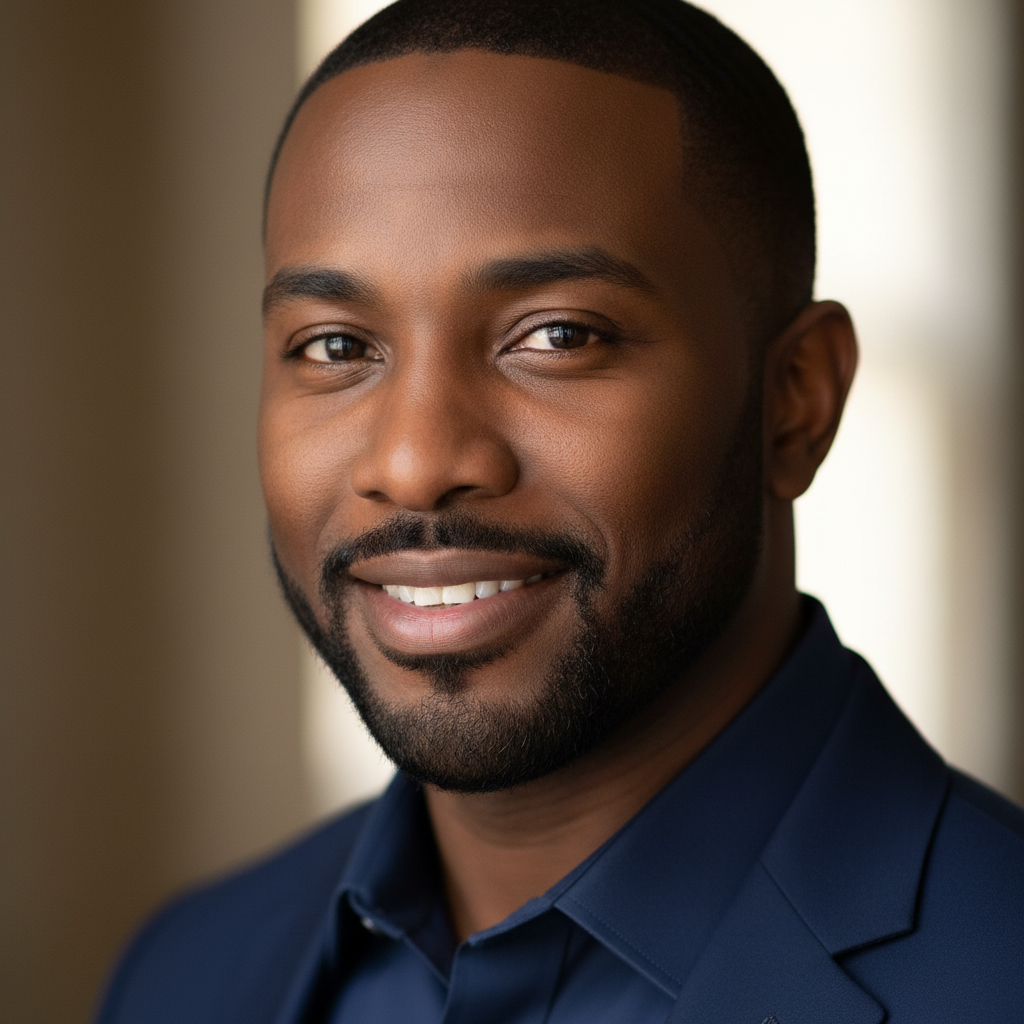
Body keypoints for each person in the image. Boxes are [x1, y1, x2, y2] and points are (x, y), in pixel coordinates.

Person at [95, 1, 1024, 1021]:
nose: (414, 464)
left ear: (795, 398)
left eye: (559, 335)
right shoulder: (180, 973)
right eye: (335, 347)